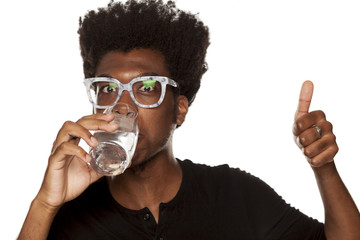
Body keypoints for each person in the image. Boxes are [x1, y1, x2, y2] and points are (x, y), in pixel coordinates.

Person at [18, 0, 360, 239]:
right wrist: (45, 204)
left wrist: (324, 167)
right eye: (107, 88)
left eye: (147, 87)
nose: (123, 105)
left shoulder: (233, 195)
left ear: (179, 109)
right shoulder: (68, 215)